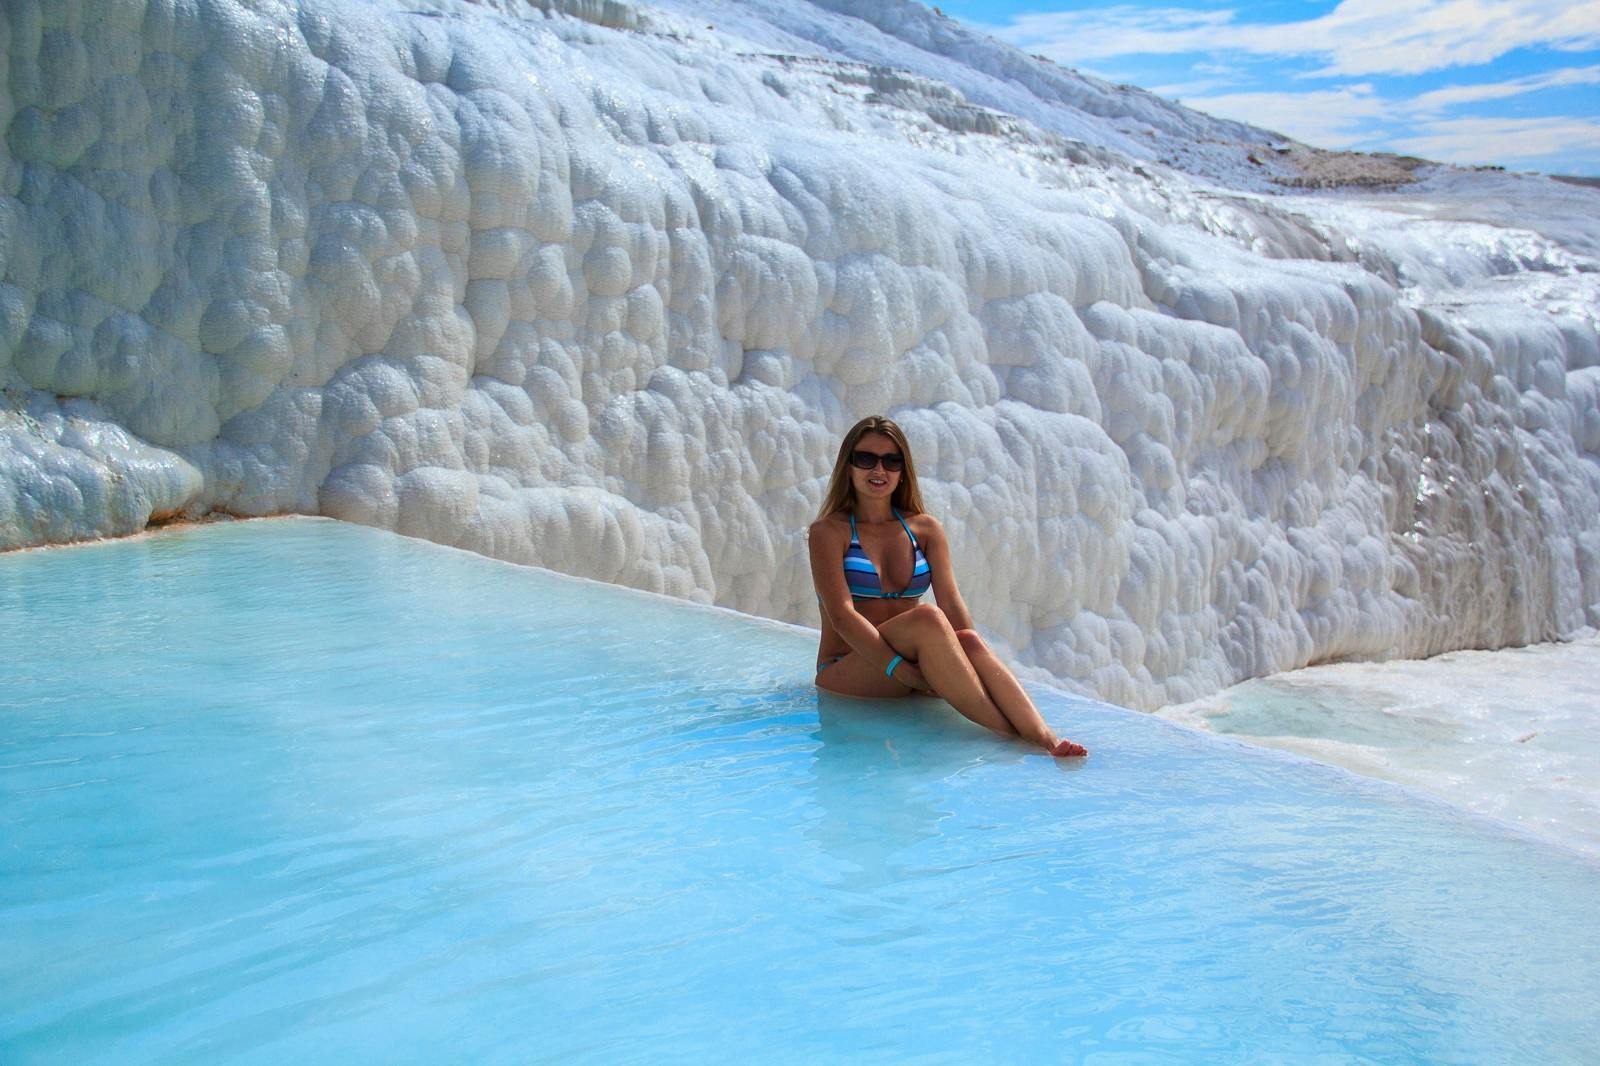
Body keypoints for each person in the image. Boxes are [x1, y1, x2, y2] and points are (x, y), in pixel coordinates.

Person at [809, 415, 1088, 758]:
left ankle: (1045, 735)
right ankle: (1011, 737)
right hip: (849, 668)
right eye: (866, 459)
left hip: (906, 664)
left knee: (967, 637)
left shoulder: (925, 529)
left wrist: (961, 660)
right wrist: (904, 672)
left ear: (903, 469)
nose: (878, 470)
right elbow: (842, 616)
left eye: (891, 461)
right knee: (928, 618)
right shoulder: (829, 532)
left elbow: (953, 605)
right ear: (848, 466)